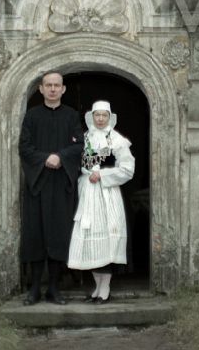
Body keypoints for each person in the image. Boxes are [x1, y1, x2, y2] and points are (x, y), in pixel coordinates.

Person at [18, 71, 84, 305]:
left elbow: (80, 147)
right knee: (36, 235)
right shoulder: (32, 116)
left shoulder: (72, 116)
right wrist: (46, 159)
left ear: (63, 89)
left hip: (62, 186)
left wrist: (61, 156)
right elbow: (24, 147)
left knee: (59, 235)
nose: (53, 89)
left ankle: (54, 289)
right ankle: (35, 288)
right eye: (49, 85)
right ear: (41, 89)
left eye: (57, 85)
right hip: (38, 184)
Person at [68, 100, 134, 304]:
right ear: (91, 117)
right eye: (97, 115)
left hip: (107, 195)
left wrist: (103, 175)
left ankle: (105, 288)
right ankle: (96, 288)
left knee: (107, 240)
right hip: (87, 193)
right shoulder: (84, 138)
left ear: (109, 117)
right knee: (90, 240)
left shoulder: (117, 140)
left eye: (104, 115)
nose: (100, 119)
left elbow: (127, 169)